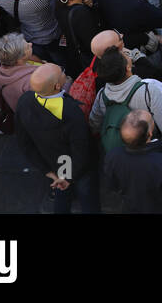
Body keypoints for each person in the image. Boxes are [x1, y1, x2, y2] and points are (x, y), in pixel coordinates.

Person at [14, 63, 100, 213]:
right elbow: (81, 148)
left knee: (62, 194)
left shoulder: (24, 101)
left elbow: (24, 143)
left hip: (55, 164)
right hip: (78, 167)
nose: (63, 72)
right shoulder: (71, 112)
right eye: (62, 72)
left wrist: (48, 172)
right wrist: (69, 177)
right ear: (57, 86)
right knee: (87, 197)